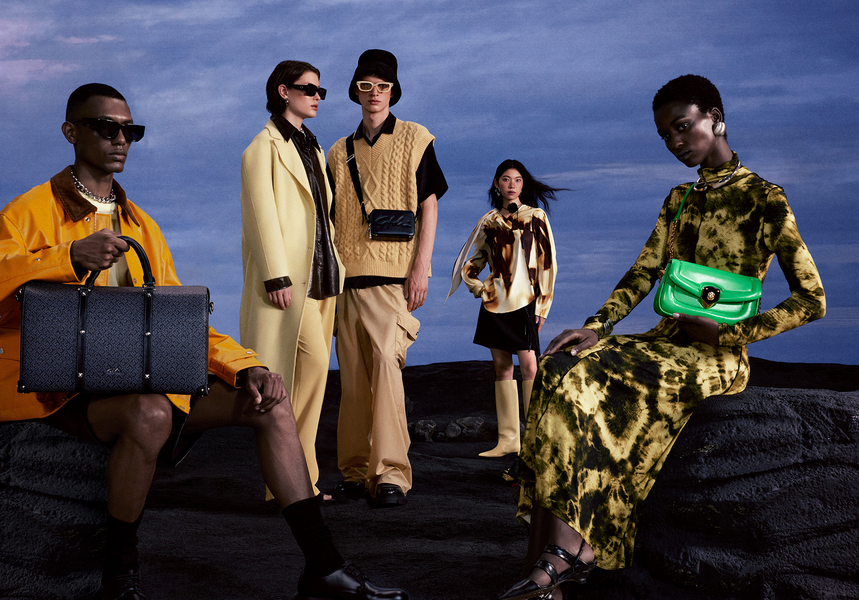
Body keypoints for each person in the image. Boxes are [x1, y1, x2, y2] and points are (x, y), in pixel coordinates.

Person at [0, 83, 408, 600]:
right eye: (107, 128)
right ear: (71, 132)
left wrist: (245, 366)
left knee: (270, 399)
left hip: (132, 377)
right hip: (60, 390)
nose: (121, 140)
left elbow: (177, 321)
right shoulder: (29, 212)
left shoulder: (142, 227)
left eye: (131, 131)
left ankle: (324, 568)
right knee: (151, 413)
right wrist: (66, 257)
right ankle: (119, 577)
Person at [498, 74, 826, 600]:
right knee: (559, 368)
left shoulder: (764, 199)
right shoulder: (678, 199)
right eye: (665, 135)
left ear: (715, 118)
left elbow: (812, 299)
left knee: (584, 386)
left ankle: (567, 555)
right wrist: (598, 324)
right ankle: (549, 560)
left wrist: (731, 331)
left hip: (716, 357)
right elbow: (644, 271)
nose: (675, 142)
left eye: (683, 126)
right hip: (664, 341)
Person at [326, 49, 448, 507]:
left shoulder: (416, 137)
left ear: (393, 92)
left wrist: (421, 267)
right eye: (366, 86)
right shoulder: (338, 151)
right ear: (355, 91)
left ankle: (392, 473)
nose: (374, 93)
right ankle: (356, 472)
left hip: (392, 278)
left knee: (386, 371)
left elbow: (429, 206)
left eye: (382, 86)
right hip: (346, 280)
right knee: (353, 381)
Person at [240, 60, 343, 502]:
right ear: (283, 91)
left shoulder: (311, 147)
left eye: (321, 91)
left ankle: (301, 481)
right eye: (309, 89)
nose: (317, 97)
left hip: (319, 280)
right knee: (301, 373)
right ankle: (287, 483)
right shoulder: (261, 148)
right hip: (286, 282)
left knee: (310, 381)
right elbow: (260, 216)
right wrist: (275, 275)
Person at [448, 159, 560, 458]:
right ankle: (508, 441)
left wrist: (543, 306)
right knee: (502, 368)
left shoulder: (535, 217)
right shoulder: (489, 221)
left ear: (523, 185)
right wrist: (477, 287)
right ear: (497, 183)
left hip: (525, 302)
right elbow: (476, 260)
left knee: (530, 367)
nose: (512, 185)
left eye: (518, 180)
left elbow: (548, 265)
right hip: (495, 302)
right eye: (506, 179)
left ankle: (535, 443)